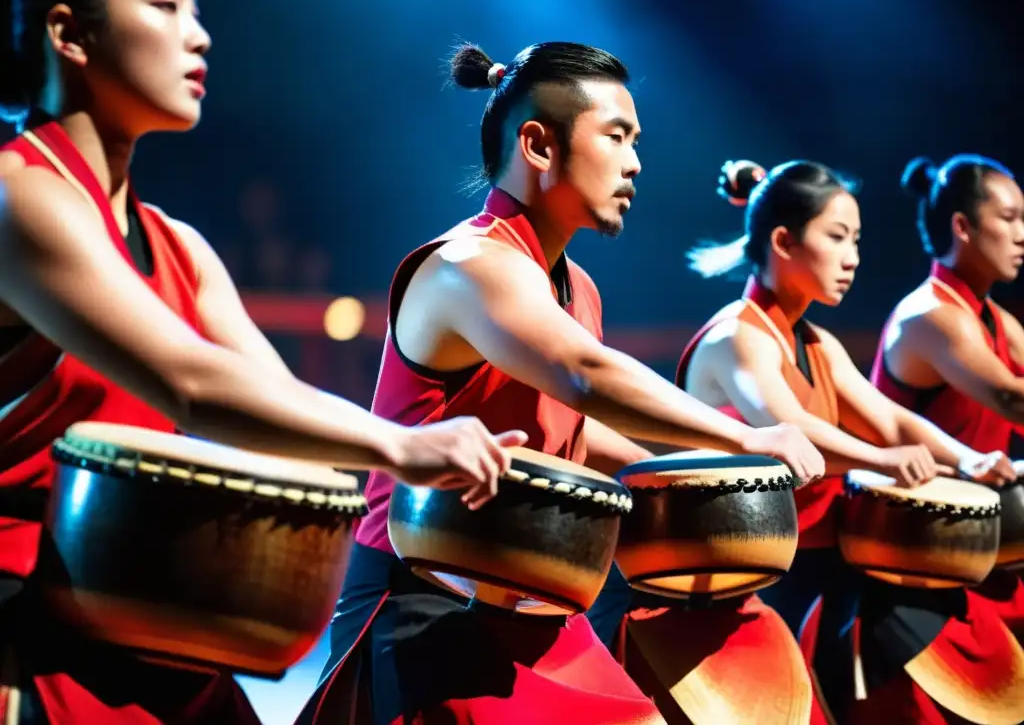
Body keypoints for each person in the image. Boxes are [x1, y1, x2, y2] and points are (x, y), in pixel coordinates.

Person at [0, 0, 526, 723]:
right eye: (166, 5)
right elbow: (195, 384)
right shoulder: (17, 196)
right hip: (27, 628)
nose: (201, 36)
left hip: (140, 614)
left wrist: (426, 458)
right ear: (68, 33)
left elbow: (275, 403)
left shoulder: (179, 247)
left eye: (197, 10)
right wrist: (405, 447)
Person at [297, 42, 825, 725]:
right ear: (539, 145)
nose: (635, 162)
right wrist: (750, 439)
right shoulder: (471, 264)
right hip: (424, 604)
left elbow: (565, 420)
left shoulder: (576, 288)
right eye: (617, 136)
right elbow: (583, 376)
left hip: (536, 596)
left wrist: (670, 475)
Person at [679, 159, 1020, 723]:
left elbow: (893, 421)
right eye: (837, 237)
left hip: (820, 569)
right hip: (743, 583)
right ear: (784, 241)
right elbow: (790, 430)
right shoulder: (736, 336)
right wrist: (881, 460)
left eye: (856, 240)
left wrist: (969, 459)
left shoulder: (816, 343)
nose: (853, 257)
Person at [872, 155, 1024, 645]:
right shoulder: (932, 315)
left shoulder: (994, 320)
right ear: (962, 226)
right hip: (919, 558)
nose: (1022, 233)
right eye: (1008, 218)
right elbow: (1012, 398)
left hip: (978, 548)